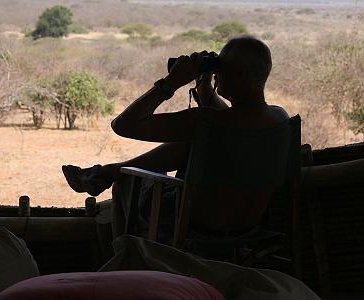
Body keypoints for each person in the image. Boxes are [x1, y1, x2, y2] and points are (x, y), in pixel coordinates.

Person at [62, 35, 289, 241]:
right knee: (193, 144)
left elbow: (122, 125)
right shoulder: (280, 119)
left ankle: (127, 260)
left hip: (191, 228)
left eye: (222, 67)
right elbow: (228, 119)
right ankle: (108, 170)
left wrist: (172, 82)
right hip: (247, 227)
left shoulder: (207, 123)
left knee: (125, 181)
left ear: (241, 75)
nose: (218, 73)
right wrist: (205, 84)